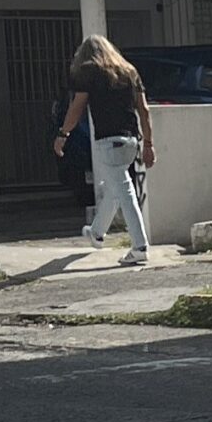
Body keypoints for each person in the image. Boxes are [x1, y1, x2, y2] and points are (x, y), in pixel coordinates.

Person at [54, 35, 154, 267]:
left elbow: (76, 107)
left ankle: (139, 246)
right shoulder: (129, 71)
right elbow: (144, 110)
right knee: (115, 187)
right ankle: (97, 232)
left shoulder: (89, 72)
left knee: (124, 191)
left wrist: (63, 134)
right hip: (130, 140)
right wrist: (148, 143)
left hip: (107, 141)